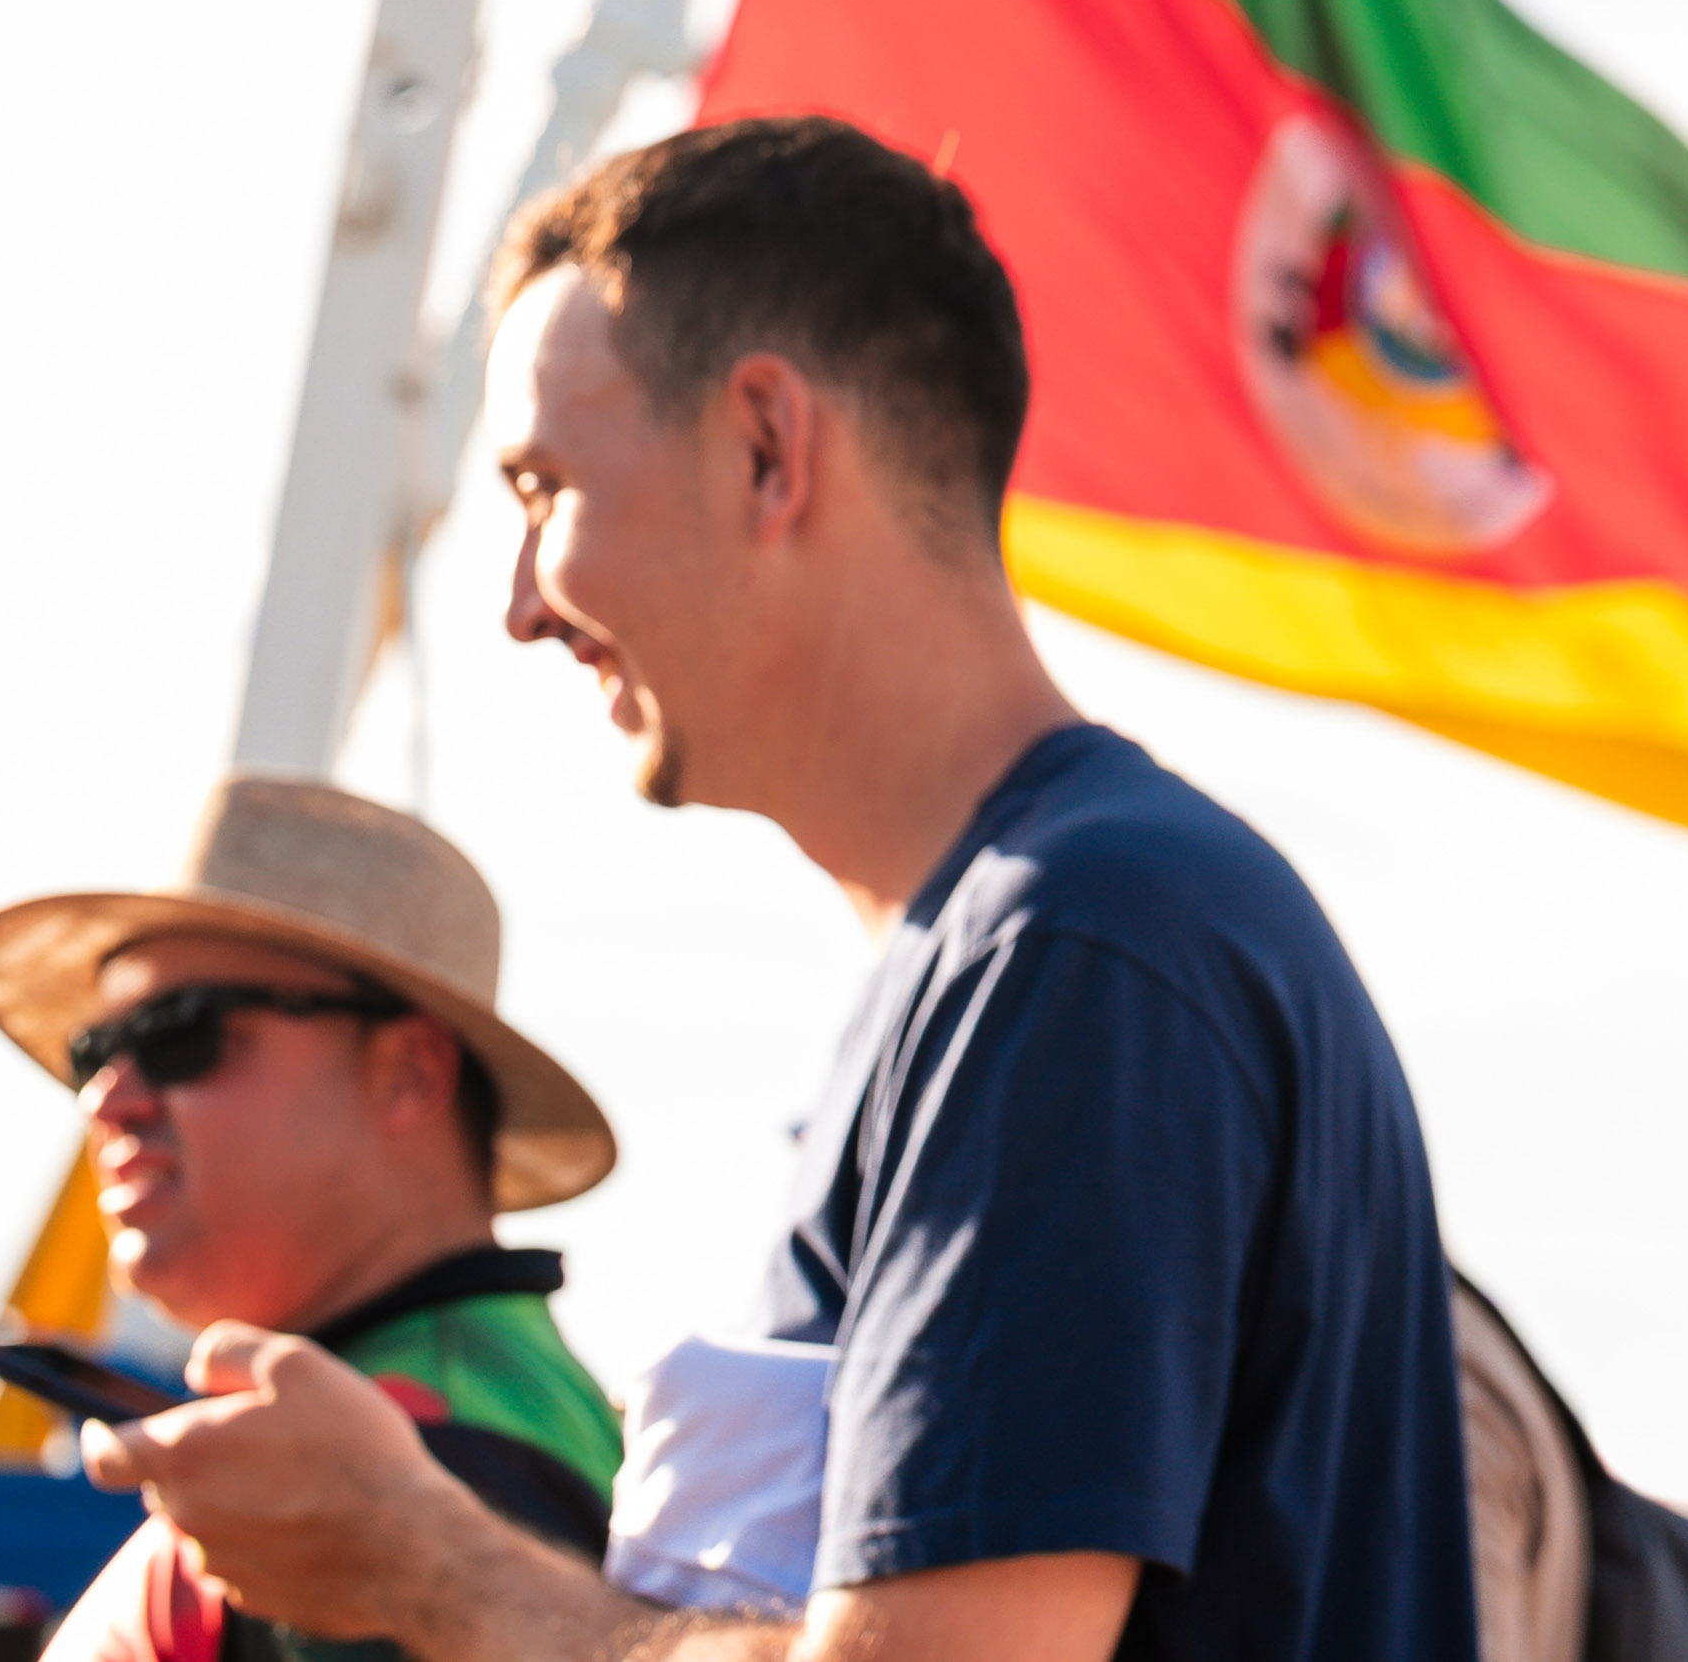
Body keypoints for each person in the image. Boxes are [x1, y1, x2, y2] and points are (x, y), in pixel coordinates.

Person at [96, 116, 1478, 1662]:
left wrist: (429, 1564)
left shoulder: (1073, 951)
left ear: (768, 444)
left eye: (544, 488)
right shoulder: (1043, 941)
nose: (515, 605)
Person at [0, 774, 627, 1662]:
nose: (106, 1098)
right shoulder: (434, 1421)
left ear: (410, 1074)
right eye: (95, 1049)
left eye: (179, 1033)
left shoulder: (396, 1479)